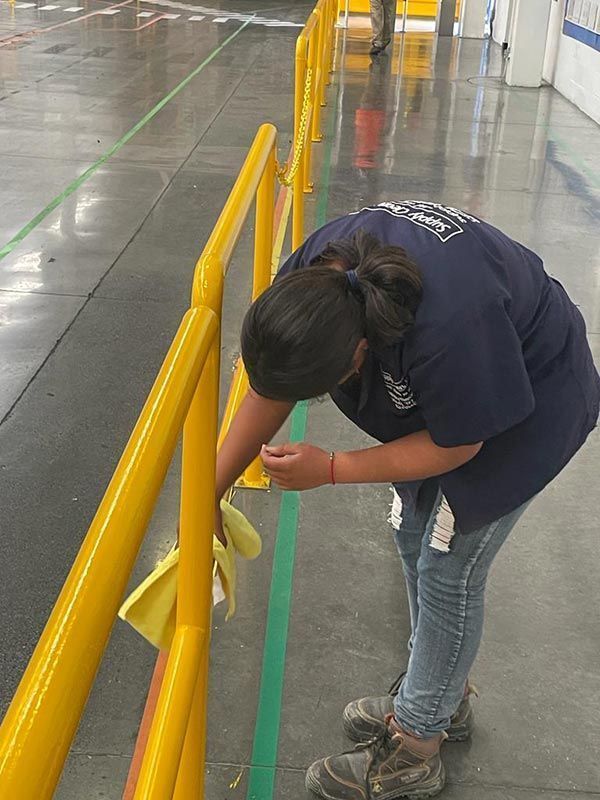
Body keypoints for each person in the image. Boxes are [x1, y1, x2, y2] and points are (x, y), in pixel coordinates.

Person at [215, 200, 600, 799]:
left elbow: (460, 442)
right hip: (458, 389)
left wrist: (335, 468)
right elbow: (271, 387)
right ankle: (441, 694)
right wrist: (209, 490)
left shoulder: (450, 325)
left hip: (529, 398)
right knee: (411, 529)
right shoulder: (312, 280)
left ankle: (417, 746)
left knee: (450, 566)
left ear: (357, 357)